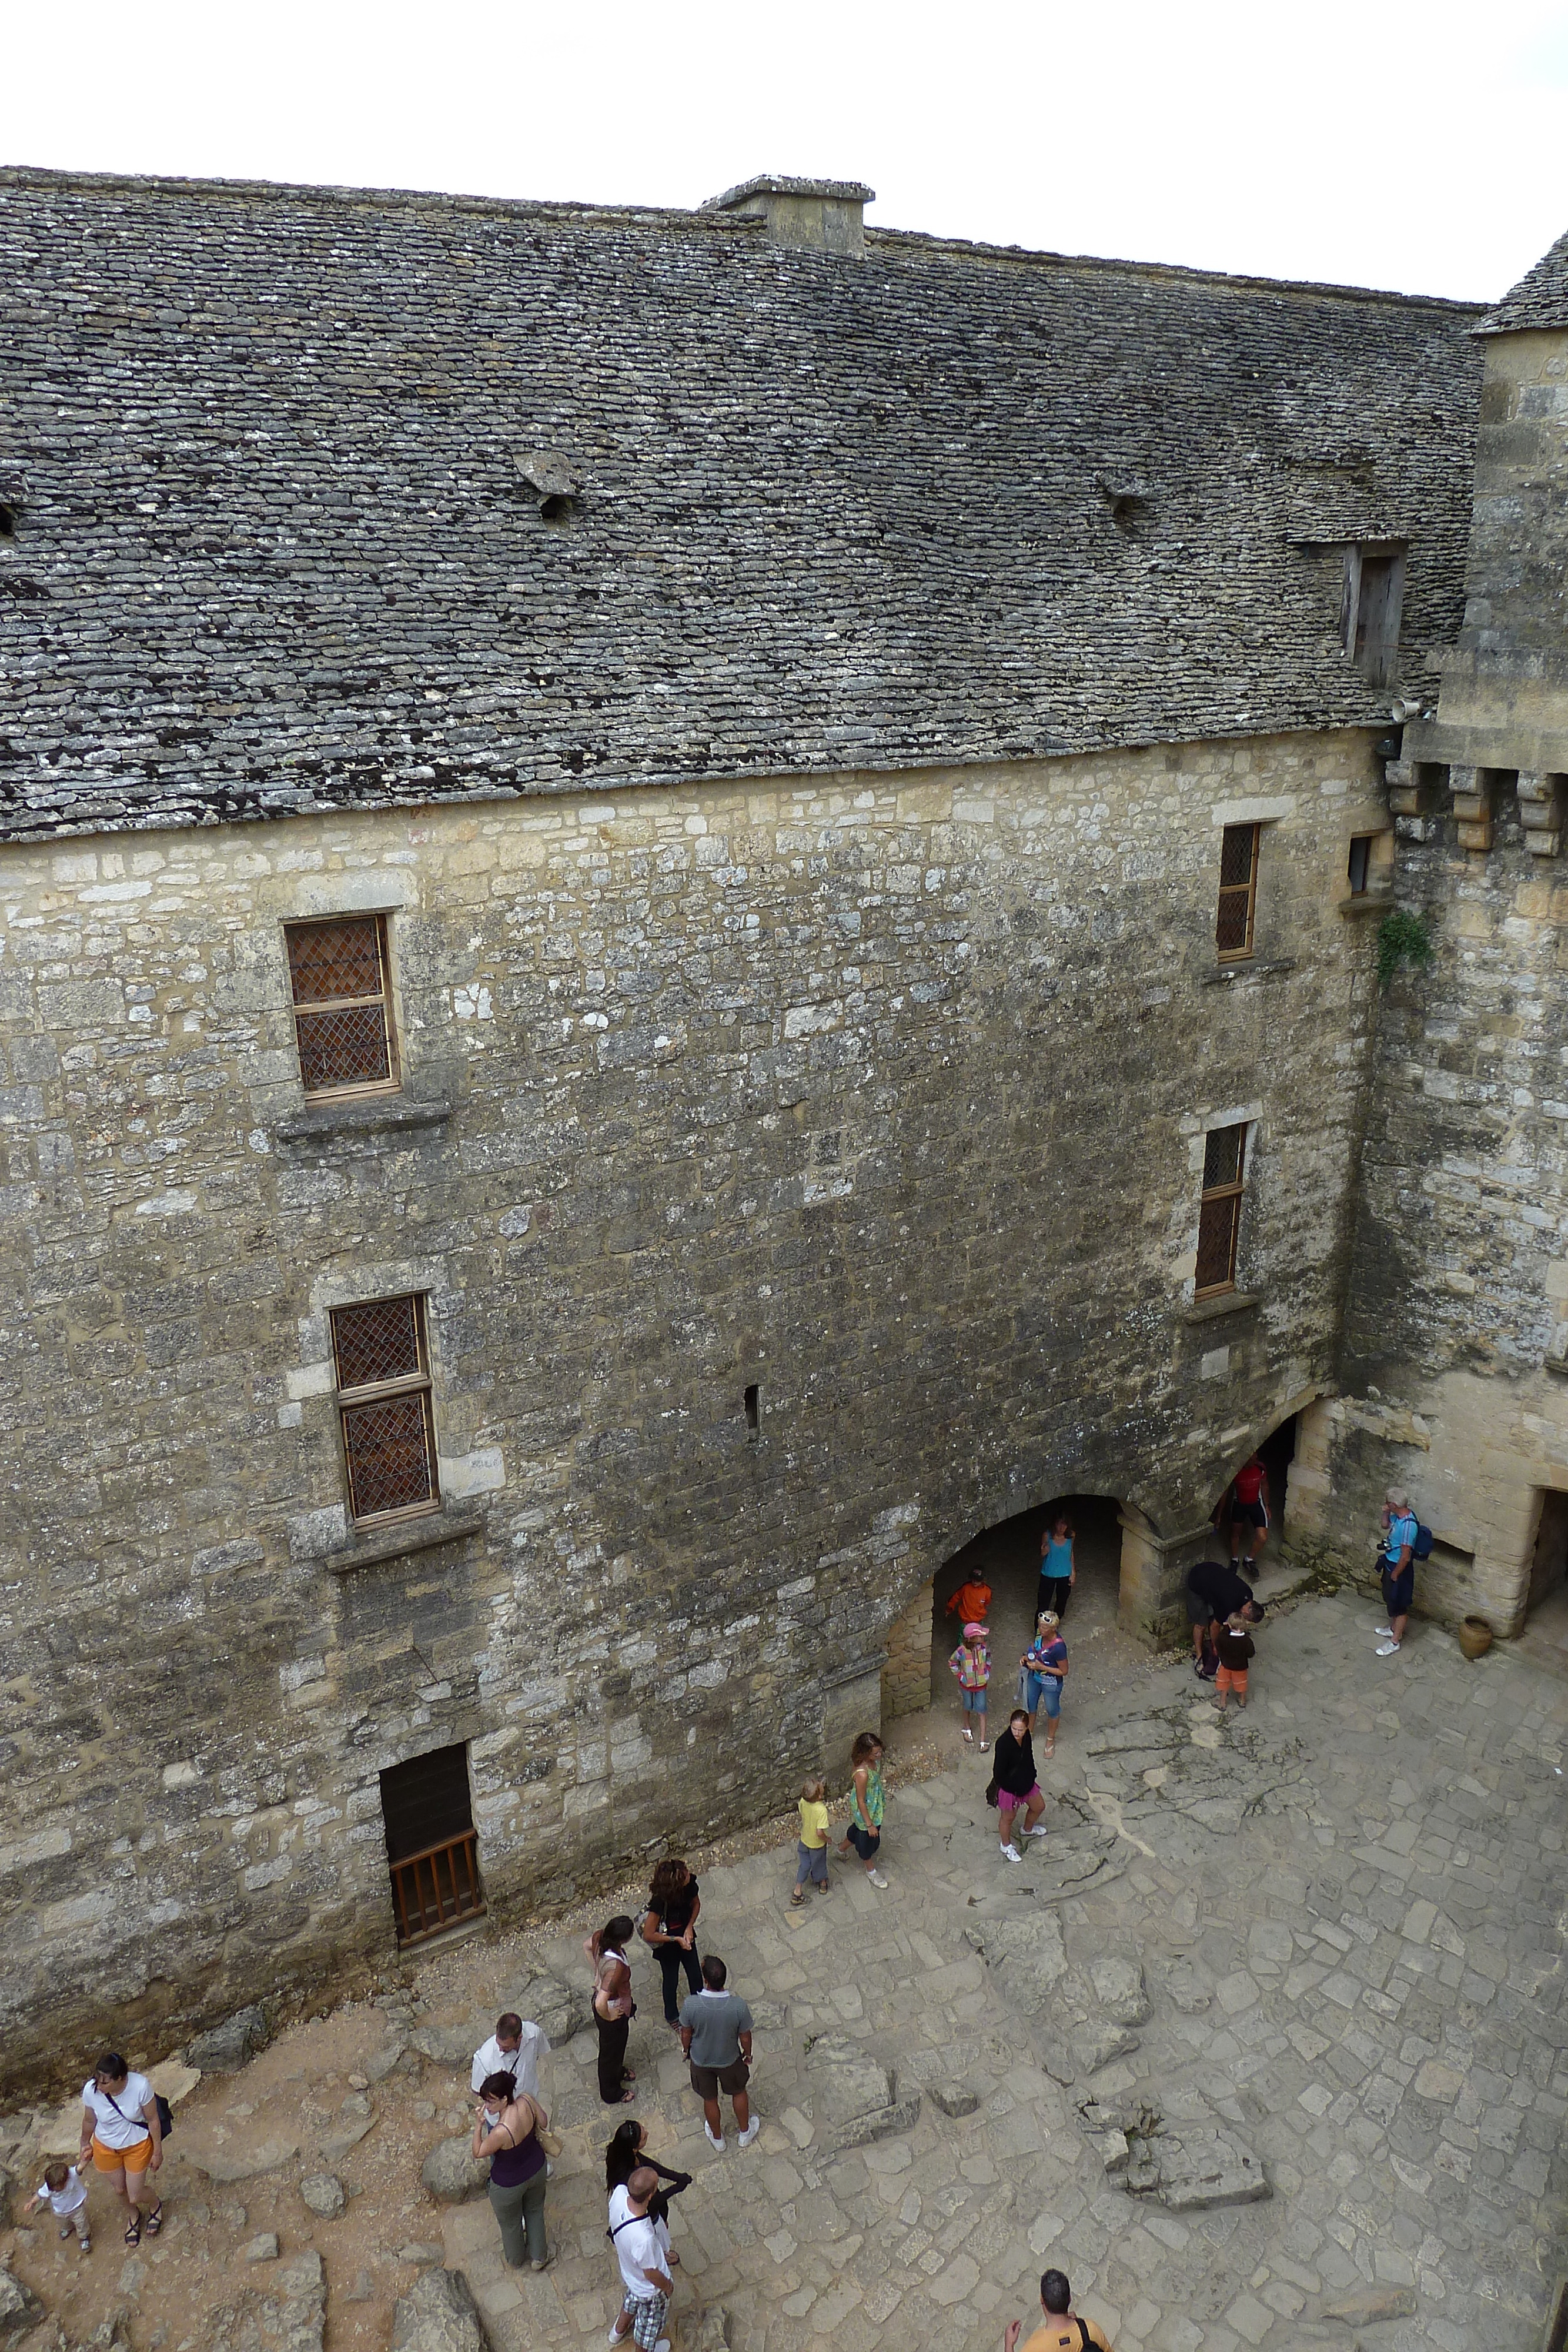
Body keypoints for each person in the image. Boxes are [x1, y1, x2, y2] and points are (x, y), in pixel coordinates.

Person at [470, 2071, 551, 2271]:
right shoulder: (527, 2100)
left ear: (505, 2099)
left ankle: (516, 2259)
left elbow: (478, 2151)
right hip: (537, 2167)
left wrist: (478, 2126)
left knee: (511, 2224)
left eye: (491, 2102)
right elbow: (543, 2121)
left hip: (508, 2184)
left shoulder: (500, 2131)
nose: (487, 2107)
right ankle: (539, 2257)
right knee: (534, 2211)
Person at [78, 2053, 162, 2247]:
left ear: (120, 2079)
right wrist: (85, 2142)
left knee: (135, 2193)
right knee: (119, 2189)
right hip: (106, 2146)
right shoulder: (92, 2091)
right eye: (97, 2080)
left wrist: (157, 2151)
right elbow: (90, 2120)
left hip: (136, 2145)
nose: (99, 2087)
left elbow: (153, 2120)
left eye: (105, 2083)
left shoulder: (140, 2086)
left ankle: (155, 2204)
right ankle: (133, 2215)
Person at [678, 1955, 758, 2152]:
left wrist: (686, 2050)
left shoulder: (691, 2004)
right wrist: (747, 2055)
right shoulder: (738, 2006)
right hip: (730, 2059)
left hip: (701, 2060)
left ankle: (718, 2138)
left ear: (705, 1979)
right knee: (739, 2091)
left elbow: (686, 2032)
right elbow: (745, 2037)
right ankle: (745, 2133)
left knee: (710, 2099)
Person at [607, 2164, 674, 2352]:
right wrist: (667, 2286)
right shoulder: (644, 2238)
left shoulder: (619, 2194)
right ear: (650, 2195)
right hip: (649, 2290)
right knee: (648, 2327)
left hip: (631, 2274)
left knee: (631, 2301)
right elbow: (651, 2273)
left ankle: (617, 2332)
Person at [641, 1859, 703, 2029]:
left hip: (685, 1934)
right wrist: (675, 1940)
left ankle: (699, 2011)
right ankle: (672, 2016)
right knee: (671, 1980)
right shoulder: (660, 1902)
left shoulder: (690, 1885)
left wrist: (689, 1927)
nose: (689, 1874)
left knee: (696, 1975)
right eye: (684, 1874)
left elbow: (696, 1904)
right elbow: (649, 1934)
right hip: (668, 1944)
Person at [585, 1916, 638, 2104]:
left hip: (615, 2006)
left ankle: (617, 2071)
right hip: (611, 2009)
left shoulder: (599, 1937)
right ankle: (610, 2092)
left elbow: (586, 1947)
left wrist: (598, 1974)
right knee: (610, 2052)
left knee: (617, 2047)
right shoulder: (615, 1968)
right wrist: (609, 2016)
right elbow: (601, 2003)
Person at [605, 2117, 692, 2229]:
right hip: (650, 2218)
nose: (647, 2133)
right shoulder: (630, 2177)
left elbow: (651, 2165)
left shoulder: (624, 2154)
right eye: (644, 2137)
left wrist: (678, 2177)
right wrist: (677, 2188)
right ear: (634, 2149)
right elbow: (650, 2202)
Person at [1183, 1558, 1263, 1676]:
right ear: (1246, 1613)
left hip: (1212, 1569)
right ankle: (1199, 1656)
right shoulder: (1229, 1604)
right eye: (1248, 1620)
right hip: (1197, 1581)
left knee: (1214, 1613)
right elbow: (1215, 1627)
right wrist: (1217, 1647)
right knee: (1201, 1624)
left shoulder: (1248, 1593)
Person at [1005, 2266, 1115, 2350]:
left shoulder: (1034, 2347)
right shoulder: (1090, 2330)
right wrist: (1079, 2324)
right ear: (1070, 2299)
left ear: (1042, 2300)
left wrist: (1009, 2345)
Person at [988, 1706, 1047, 1861]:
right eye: (1014, 1728)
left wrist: (1032, 1773)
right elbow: (999, 1774)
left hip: (1026, 1782)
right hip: (1010, 1789)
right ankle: (1006, 1846)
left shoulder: (1026, 1737)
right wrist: (1013, 1791)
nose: (1017, 1733)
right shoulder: (1003, 1744)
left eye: (1020, 1729)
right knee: (1008, 1818)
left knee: (1039, 1806)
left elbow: (1029, 1755)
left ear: (1027, 1728)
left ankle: (1027, 1829)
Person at [836, 1731, 888, 1888]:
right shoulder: (862, 1774)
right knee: (867, 1839)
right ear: (866, 1753)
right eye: (875, 1753)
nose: (879, 1755)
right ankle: (871, 1870)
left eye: (879, 1751)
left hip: (873, 1803)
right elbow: (860, 1800)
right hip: (865, 1808)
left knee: (857, 1832)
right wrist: (869, 1824)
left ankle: (840, 1850)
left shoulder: (872, 1764)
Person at [470, 2010, 549, 2102]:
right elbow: (477, 2089)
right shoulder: (484, 2059)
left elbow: (537, 2055)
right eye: (498, 2043)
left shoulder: (535, 2035)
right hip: (500, 2114)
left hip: (530, 2102)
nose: (500, 2049)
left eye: (506, 2047)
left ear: (519, 2038)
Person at [1376, 1486, 1418, 1656]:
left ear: (1394, 1504)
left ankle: (1395, 1642)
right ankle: (1393, 1628)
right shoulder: (1398, 1517)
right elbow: (1385, 1525)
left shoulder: (1409, 1526)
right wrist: (1385, 1512)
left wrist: (1395, 1574)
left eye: (1388, 1503)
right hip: (1390, 1563)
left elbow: (1406, 1556)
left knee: (1400, 1605)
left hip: (1400, 1570)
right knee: (1391, 1599)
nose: (1386, 1505)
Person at [1021, 1611, 1068, 1756]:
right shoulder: (1039, 1635)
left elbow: (1064, 1671)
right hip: (1034, 1678)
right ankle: (1029, 1732)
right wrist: (1025, 1658)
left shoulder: (1059, 1647)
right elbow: (1034, 1649)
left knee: (1052, 1710)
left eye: (1044, 1627)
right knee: (1031, 1705)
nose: (1041, 1629)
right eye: (1040, 1626)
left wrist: (1042, 1668)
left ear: (1053, 1629)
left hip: (1051, 1683)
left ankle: (1050, 1739)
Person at [28, 2159, 90, 2254]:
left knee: (82, 2224)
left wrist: (86, 2159)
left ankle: (84, 2237)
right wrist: (32, 2202)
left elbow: (81, 2166)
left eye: (58, 2188)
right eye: (54, 2189)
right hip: (60, 2211)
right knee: (63, 2222)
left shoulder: (72, 2175)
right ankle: (67, 2228)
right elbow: (40, 2195)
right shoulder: (50, 2187)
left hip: (77, 2208)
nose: (55, 2190)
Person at [948, 1619, 991, 1749]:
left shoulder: (984, 1648)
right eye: (980, 1635)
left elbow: (988, 1658)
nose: (983, 1637)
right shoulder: (961, 1651)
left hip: (981, 1685)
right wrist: (961, 1676)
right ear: (972, 1638)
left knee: (982, 1709)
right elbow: (952, 1662)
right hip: (966, 1685)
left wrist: (986, 1671)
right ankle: (967, 1727)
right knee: (967, 1706)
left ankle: (983, 1740)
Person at [792, 1775, 831, 1905]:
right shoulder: (821, 1810)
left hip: (804, 1839)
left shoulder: (803, 1802)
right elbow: (820, 1832)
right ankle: (823, 1883)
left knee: (805, 1865)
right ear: (819, 1796)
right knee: (819, 1862)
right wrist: (827, 1839)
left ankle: (797, 1891)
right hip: (816, 1844)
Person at [1228, 1456, 1271, 1574]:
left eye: (1255, 1459)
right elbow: (1225, 1492)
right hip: (1239, 1504)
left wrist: (1267, 1506)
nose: (1253, 1462)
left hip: (1256, 1503)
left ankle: (1249, 1559)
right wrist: (1219, 1516)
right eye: (1251, 1460)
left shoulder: (1260, 1468)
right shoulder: (1236, 1470)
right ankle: (1235, 1559)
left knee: (1262, 1537)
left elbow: (1264, 1485)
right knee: (1235, 1533)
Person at [1212, 1610, 1255, 1710]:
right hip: (1241, 1666)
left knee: (1224, 1683)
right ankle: (1242, 1701)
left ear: (1230, 1626)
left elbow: (1218, 1646)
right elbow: (1251, 1654)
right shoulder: (1246, 1641)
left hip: (1226, 1665)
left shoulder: (1223, 1638)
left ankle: (1222, 1703)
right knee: (1241, 1683)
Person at [1037, 1514, 1076, 1618]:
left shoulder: (1071, 1536)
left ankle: (1054, 1627)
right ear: (1055, 1523)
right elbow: (1042, 1553)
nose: (1061, 1527)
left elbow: (1070, 1552)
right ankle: (1039, 1631)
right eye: (1059, 1523)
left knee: (1061, 1603)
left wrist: (1073, 1572)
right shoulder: (1047, 1535)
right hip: (1048, 1574)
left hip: (1065, 1574)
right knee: (1043, 1604)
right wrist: (1044, 1550)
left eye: (1064, 1524)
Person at [944, 1567, 994, 1631]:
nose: (974, 1582)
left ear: (983, 1580)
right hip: (965, 1619)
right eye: (973, 1579)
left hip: (978, 1620)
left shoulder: (987, 1591)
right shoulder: (966, 1588)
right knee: (964, 1638)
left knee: (976, 1638)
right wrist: (949, 1608)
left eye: (977, 1580)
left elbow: (987, 1602)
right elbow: (956, 1597)